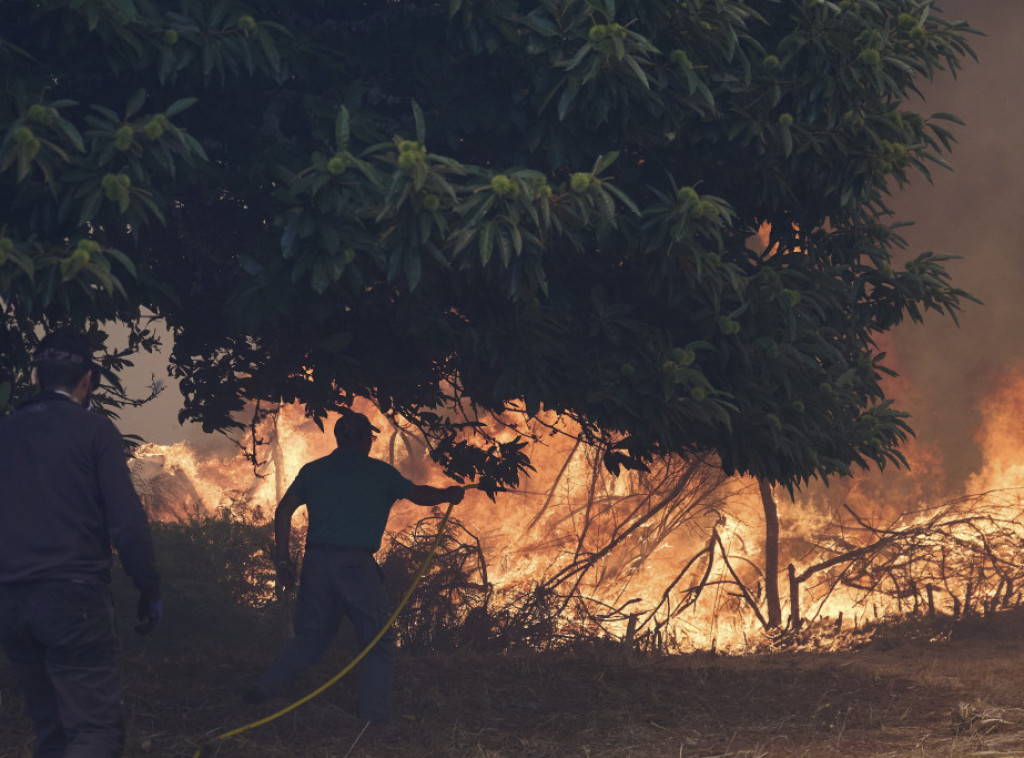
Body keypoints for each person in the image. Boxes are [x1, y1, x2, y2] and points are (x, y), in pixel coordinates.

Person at [0, 329, 162, 757]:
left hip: (12, 603)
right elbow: (126, 524)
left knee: (50, 730)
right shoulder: (94, 431)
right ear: (88, 380)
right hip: (73, 601)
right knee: (92, 731)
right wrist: (149, 587)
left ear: (35, 377)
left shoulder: (6, 433)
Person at [244, 410, 464, 723]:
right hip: (356, 567)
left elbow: (282, 512)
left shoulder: (313, 470)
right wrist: (448, 494)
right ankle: (372, 718)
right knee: (377, 641)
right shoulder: (380, 473)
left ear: (338, 439)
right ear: (364, 439)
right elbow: (418, 495)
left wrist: (283, 560)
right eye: (370, 437)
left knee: (309, 638)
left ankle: (264, 689)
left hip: (317, 563)